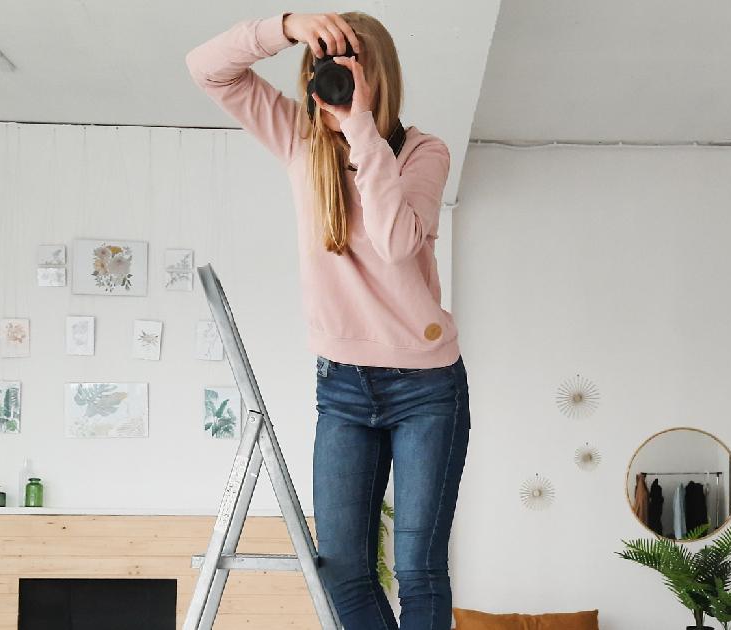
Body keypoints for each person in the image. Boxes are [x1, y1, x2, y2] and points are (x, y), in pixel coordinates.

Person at [187, 11, 470, 630]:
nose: (336, 81)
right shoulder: (297, 139)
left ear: (377, 76)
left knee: (419, 568)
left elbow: (396, 245)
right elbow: (205, 68)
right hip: (343, 385)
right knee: (342, 569)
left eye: (350, 68)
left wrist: (361, 127)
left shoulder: (423, 152)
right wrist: (286, 26)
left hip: (426, 387)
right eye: (326, 67)